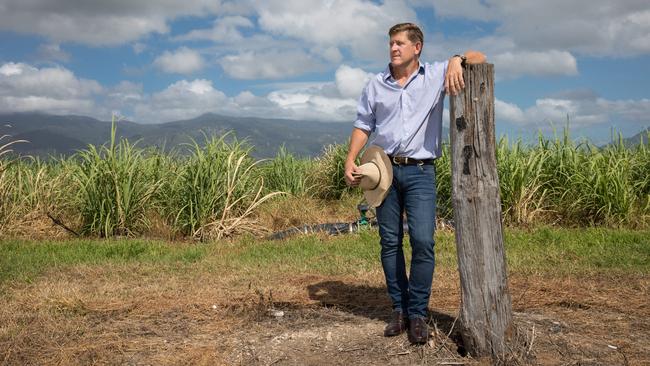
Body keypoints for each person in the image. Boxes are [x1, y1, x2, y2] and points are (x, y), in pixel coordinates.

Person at [344, 22, 486, 344]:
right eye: (391, 44)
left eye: (399, 43)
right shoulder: (376, 84)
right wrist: (350, 159)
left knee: (423, 241)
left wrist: (455, 59)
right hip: (384, 171)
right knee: (389, 242)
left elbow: (479, 58)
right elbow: (363, 124)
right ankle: (399, 310)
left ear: (416, 47)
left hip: (422, 171)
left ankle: (419, 312)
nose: (393, 49)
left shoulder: (434, 75)